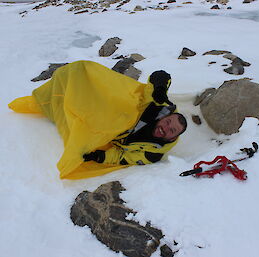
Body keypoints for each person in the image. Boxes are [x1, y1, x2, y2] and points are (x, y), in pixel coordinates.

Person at [8, 60, 187, 179]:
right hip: (114, 110)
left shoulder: (152, 154)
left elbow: (123, 157)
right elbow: (160, 76)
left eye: (171, 130)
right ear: (166, 117)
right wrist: (160, 88)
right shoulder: (159, 106)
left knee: (71, 118)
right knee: (78, 73)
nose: (166, 127)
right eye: (168, 122)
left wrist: (100, 156)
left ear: (172, 138)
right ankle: (55, 93)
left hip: (110, 129)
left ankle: (46, 104)